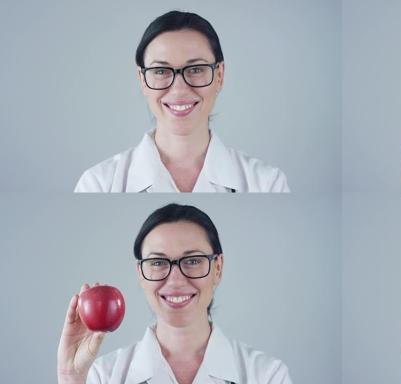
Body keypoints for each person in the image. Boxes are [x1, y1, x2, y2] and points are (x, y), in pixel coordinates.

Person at [57, 203, 292, 383]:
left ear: (217, 268)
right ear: (140, 273)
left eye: (192, 260)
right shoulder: (103, 376)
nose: (176, 279)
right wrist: (71, 377)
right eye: (158, 263)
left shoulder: (267, 375)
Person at [75, 11, 289, 192]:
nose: (179, 89)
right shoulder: (98, 184)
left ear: (220, 75)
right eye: (160, 70)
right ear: (142, 79)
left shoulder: (267, 183)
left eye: (195, 69)